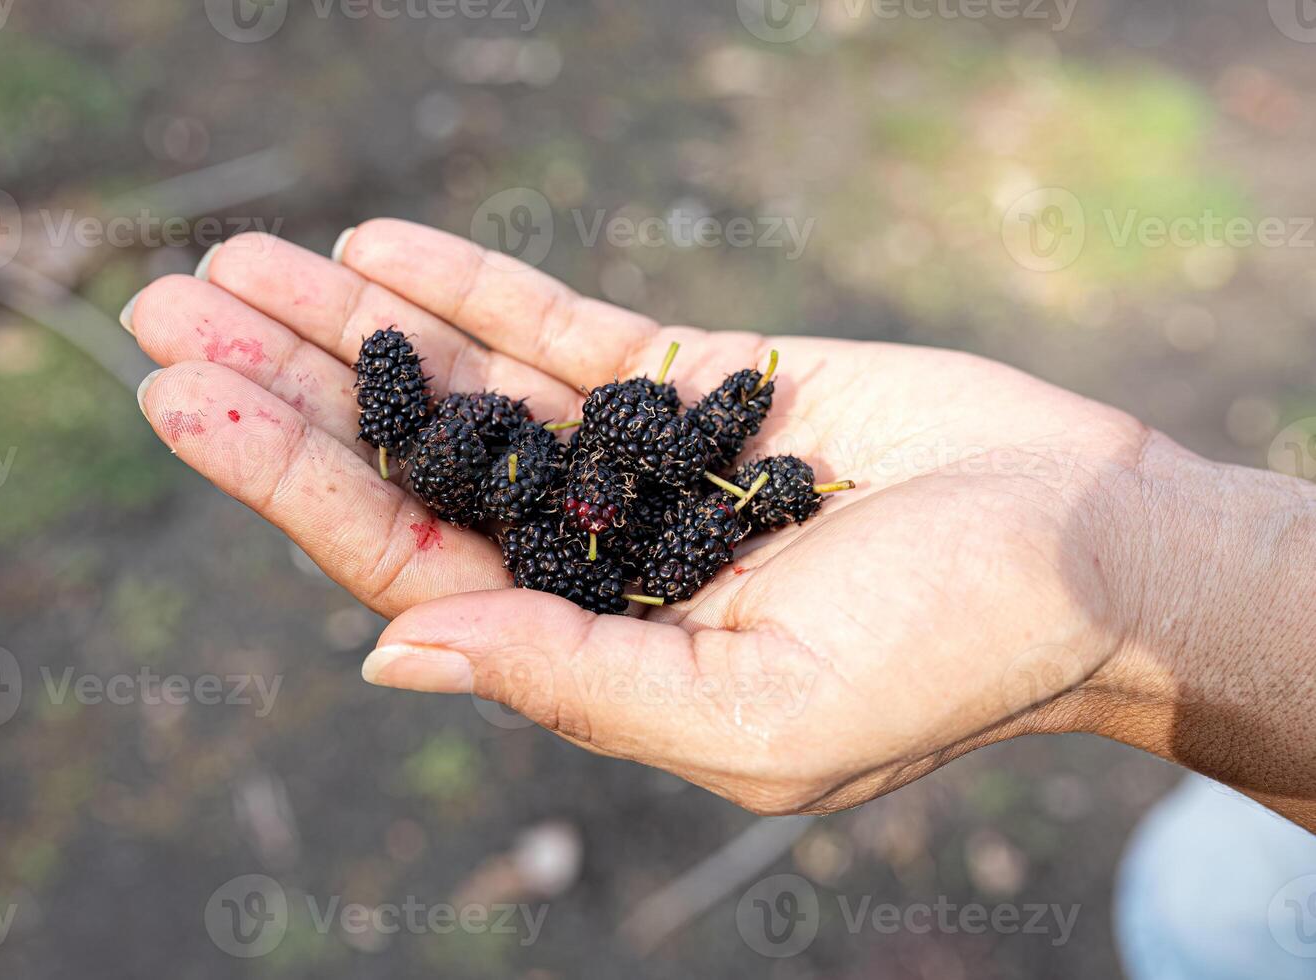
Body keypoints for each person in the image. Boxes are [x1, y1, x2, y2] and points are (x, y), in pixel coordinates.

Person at [120, 220, 1316, 968]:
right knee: (1216, 904)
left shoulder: (636, 485)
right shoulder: (555, 475)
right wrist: (1157, 574)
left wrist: (1130, 584)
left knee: (1215, 912)